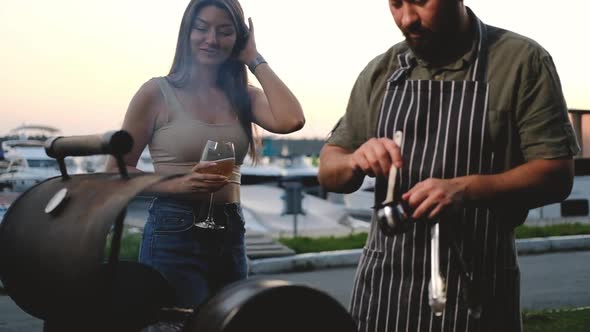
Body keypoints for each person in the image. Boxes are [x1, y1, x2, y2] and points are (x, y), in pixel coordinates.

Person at [318, 1, 579, 331]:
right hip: (386, 292)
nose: (407, 18)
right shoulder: (381, 71)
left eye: (420, 2)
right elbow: (329, 168)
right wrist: (354, 160)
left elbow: (556, 175)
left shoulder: (521, 61)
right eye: (396, 4)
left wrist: (465, 189)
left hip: (477, 287)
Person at [106, 0, 304, 321]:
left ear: (237, 39)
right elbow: (115, 171)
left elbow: (292, 119)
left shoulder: (244, 95)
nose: (211, 39)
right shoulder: (157, 92)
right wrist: (178, 184)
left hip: (230, 232)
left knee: (230, 326)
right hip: (174, 232)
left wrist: (254, 59)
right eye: (201, 28)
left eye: (224, 31)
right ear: (187, 32)